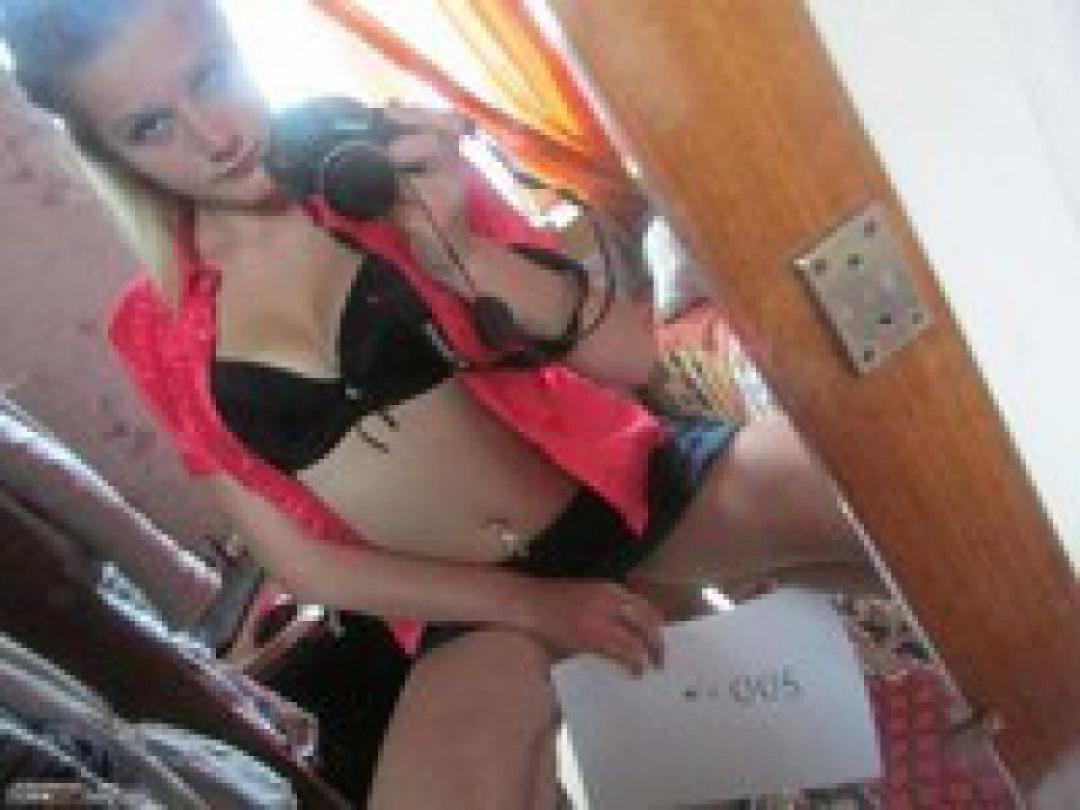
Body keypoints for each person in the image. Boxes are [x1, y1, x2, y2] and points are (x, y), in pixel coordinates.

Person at [1, 1, 885, 806]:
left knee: (888, 477)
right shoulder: (152, 330)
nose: (214, 136)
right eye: (151, 127)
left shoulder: (372, 162)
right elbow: (302, 565)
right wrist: (537, 607)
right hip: (473, 607)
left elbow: (624, 354)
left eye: (210, 75)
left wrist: (458, 244)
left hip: (624, 495)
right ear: (109, 152)